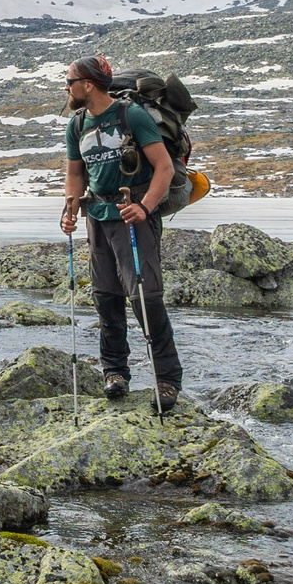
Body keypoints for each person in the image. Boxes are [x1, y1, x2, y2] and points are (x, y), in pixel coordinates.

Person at [59, 56, 182, 410]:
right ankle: (115, 372)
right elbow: (75, 174)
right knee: (106, 297)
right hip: (97, 217)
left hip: (133, 218)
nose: (67, 88)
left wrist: (144, 207)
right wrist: (70, 209)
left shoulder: (132, 116)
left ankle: (167, 379)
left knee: (146, 298)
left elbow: (163, 167)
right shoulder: (77, 123)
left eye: (70, 81)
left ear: (89, 83)